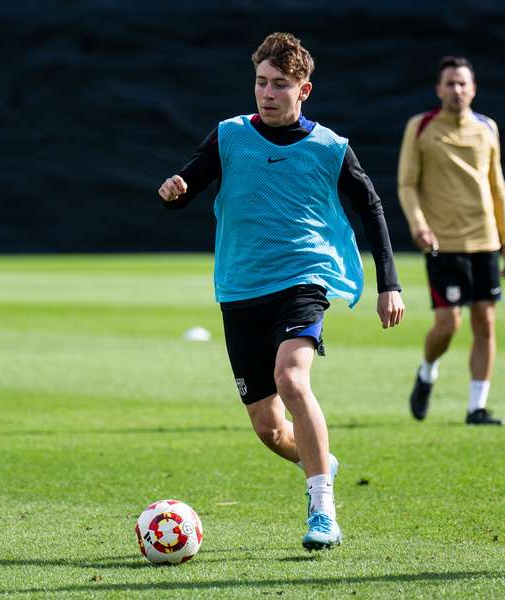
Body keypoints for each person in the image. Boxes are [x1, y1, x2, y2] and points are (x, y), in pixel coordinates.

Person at [157, 32, 405, 551]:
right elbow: (190, 183)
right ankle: (320, 458)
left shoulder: (331, 148)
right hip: (240, 288)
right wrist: (175, 190)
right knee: (269, 429)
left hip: (303, 279)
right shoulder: (228, 136)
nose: (267, 94)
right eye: (260, 83)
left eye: (280, 85)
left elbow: (373, 206)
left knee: (292, 379)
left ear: (304, 89)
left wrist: (390, 284)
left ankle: (323, 510)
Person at [397, 56, 505, 426]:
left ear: (474, 88)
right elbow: (407, 184)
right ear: (439, 89)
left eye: (463, 83)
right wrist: (419, 225)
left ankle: (476, 407)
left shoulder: (487, 128)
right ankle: (427, 371)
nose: (457, 90)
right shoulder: (421, 127)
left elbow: (497, 185)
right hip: (442, 243)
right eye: (450, 83)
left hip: (484, 242)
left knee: (485, 323)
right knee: (449, 325)